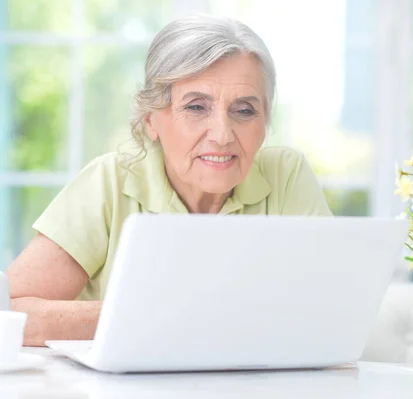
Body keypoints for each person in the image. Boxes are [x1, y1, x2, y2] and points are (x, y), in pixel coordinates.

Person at [7, 15, 332, 346]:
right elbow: (10, 315)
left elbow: (329, 313)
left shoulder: (286, 176)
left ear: (265, 121)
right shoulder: (109, 183)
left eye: (244, 111)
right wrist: (156, 315)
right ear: (151, 120)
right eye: (196, 107)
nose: (222, 135)